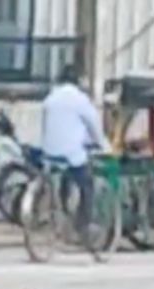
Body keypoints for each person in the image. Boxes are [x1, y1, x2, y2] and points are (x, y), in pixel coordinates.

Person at [41, 64, 110, 244]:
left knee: (64, 177)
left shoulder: (50, 98)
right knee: (87, 185)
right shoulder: (80, 100)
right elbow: (94, 125)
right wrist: (103, 145)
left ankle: (62, 213)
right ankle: (82, 224)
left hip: (49, 154)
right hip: (72, 154)